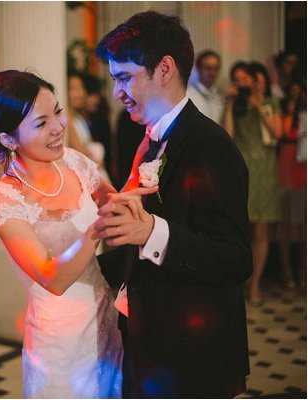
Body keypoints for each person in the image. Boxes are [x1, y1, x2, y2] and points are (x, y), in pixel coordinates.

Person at [94, 11, 252, 397]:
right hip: (150, 340)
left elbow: (235, 257)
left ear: (164, 68)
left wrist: (152, 230)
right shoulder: (149, 138)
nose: (117, 92)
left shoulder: (210, 144)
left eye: (124, 77)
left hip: (192, 354)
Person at [0, 70, 150, 397]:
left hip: (106, 321)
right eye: (41, 123)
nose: (58, 127)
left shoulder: (74, 163)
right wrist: (95, 229)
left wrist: (143, 169)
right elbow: (52, 278)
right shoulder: (4, 200)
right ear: (9, 140)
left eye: (58, 112)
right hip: (59, 344)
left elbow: (115, 203)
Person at [223, 61, 283, 305]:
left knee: (261, 229)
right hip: (241, 169)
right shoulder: (236, 105)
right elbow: (227, 135)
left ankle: (255, 284)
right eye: (241, 80)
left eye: (252, 80)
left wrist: (259, 106)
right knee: (239, 227)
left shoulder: (270, 103)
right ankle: (238, 280)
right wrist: (228, 104)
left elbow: (277, 134)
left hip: (266, 171)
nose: (249, 84)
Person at [277, 81, 307, 288]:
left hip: (302, 171)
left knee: (303, 227)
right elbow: (282, 133)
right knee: (285, 226)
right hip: (283, 170)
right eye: (293, 92)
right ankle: (286, 272)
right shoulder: (282, 112)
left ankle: (303, 273)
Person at [187, 49, 224, 124]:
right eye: (208, 68)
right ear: (198, 69)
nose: (213, 73)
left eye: (216, 68)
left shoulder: (220, 97)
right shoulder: (187, 95)